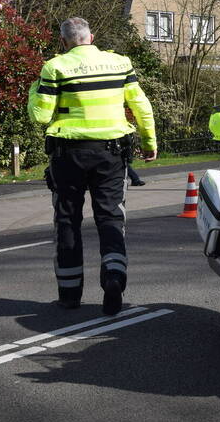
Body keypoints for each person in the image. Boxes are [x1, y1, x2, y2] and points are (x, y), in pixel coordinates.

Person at [27, 17, 157, 315]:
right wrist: (149, 141)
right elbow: (141, 105)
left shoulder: (55, 67)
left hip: (68, 154)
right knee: (111, 219)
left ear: (64, 42)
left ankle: (70, 295)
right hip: (112, 153)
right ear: (91, 37)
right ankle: (113, 277)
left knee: (67, 220)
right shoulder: (120, 63)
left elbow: (40, 116)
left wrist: (36, 88)